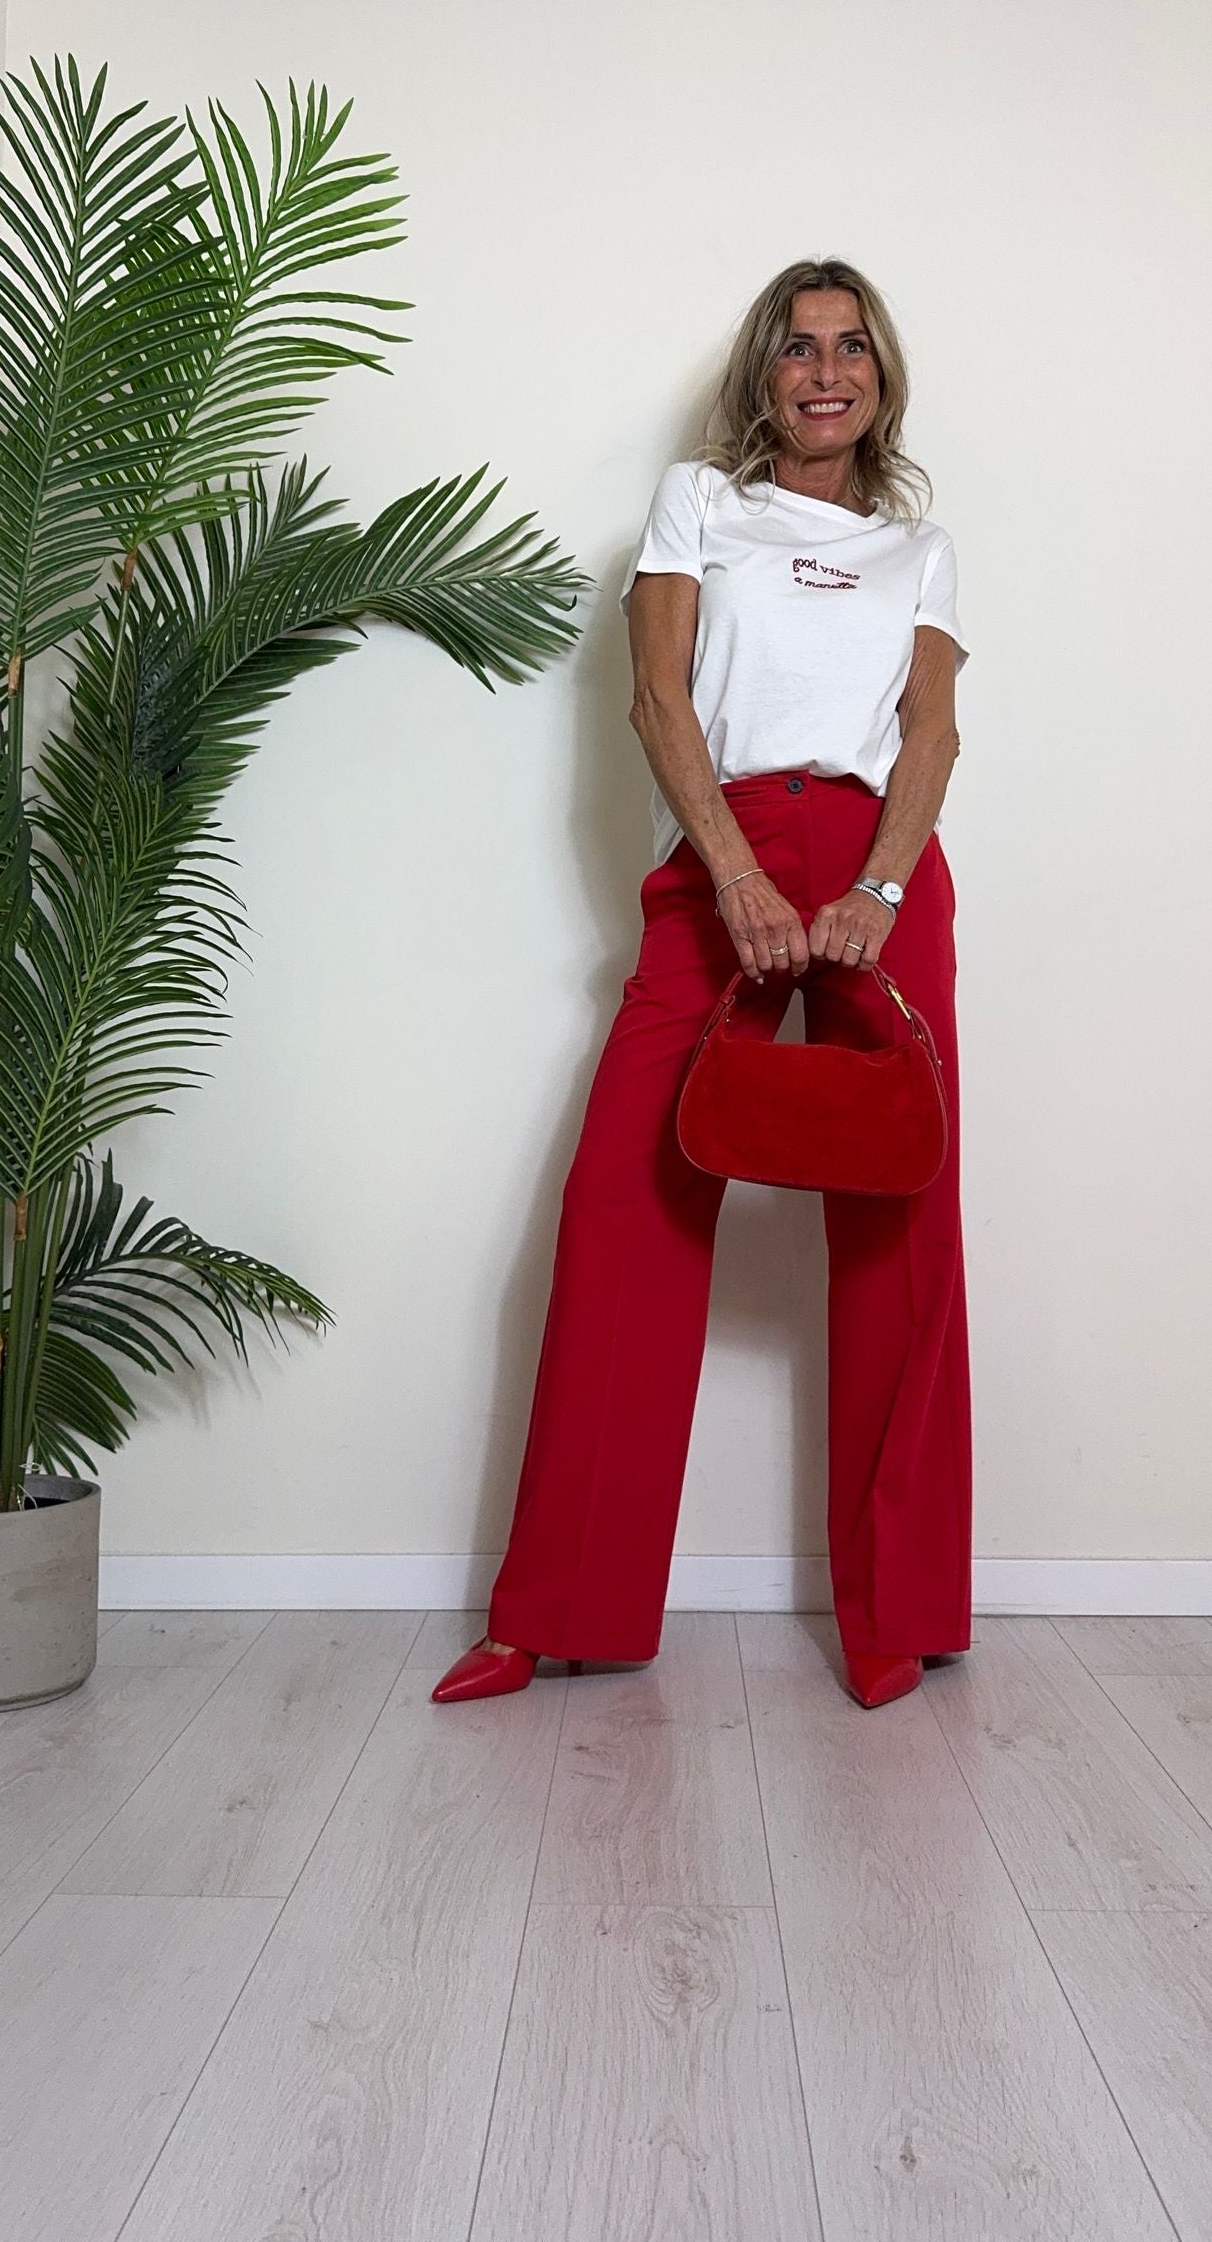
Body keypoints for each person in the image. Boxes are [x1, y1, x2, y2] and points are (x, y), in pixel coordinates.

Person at [432, 257, 971, 1712]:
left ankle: (901, 1612)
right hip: (724, 852)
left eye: (850, 348)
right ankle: (557, 1611)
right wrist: (733, 878)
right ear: (762, 377)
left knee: (902, 1222)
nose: (825, 371)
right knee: (627, 1202)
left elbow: (929, 735)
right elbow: (657, 697)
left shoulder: (920, 550)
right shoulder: (698, 504)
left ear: (880, 378)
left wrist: (875, 891)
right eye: (797, 348)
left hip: (878, 868)